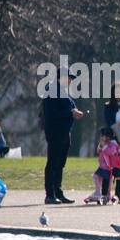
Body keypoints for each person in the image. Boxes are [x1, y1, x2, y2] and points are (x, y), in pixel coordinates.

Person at [41, 73, 85, 204]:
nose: (71, 81)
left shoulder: (62, 91)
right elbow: (51, 113)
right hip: (55, 132)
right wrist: (71, 112)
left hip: (64, 133)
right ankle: (50, 194)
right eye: (69, 78)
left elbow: (70, 106)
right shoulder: (51, 90)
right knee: (52, 163)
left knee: (60, 164)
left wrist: (74, 111)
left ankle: (58, 192)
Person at [84, 127, 120, 204]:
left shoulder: (113, 144)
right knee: (103, 181)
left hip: (107, 168)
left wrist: (104, 146)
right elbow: (100, 152)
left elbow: (111, 152)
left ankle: (99, 193)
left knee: (97, 177)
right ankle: (106, 195)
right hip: (103, 166)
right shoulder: (106, 143)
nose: (101, 137)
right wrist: (100, 147)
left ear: (107, 136)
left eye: (102, 136)